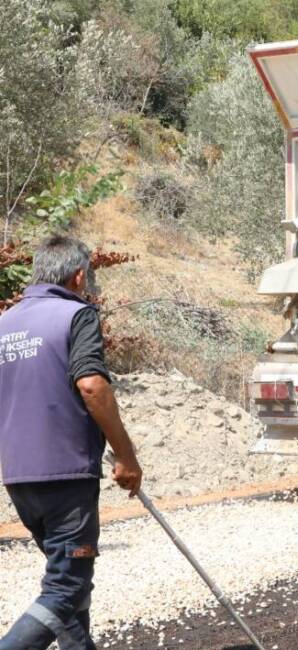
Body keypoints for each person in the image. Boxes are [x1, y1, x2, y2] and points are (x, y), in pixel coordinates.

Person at [0, 235, 142, 650]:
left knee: (70, 587)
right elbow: (93, 386)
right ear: (79, 275)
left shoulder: (5, 323)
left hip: (19, 477)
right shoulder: (76, 315)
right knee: (65, 589)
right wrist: (126, 455)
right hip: (66, 474)